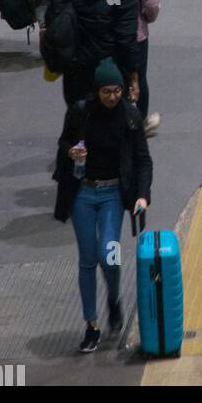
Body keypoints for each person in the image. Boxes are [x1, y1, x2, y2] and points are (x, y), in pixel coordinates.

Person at [54, 56, 152, 354]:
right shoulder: (80, 114)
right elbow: (62, 143)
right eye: (107, 91)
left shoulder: (130, 116)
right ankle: (91, 325)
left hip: (111, 194)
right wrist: (70, 152)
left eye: (117, 91)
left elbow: (143, 160)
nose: (112, 97)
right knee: (87, 259)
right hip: (83, 193)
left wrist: (142, 194)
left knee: (109, 253)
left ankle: (113, 297)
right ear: (96, 91)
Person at [114, 0, 161, 135]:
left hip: (113, 34)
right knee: (140, 77)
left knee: (118, 76)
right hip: (138, 34)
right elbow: (151, 4)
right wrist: (147, 19)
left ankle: (119, 119)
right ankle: (141, 120)